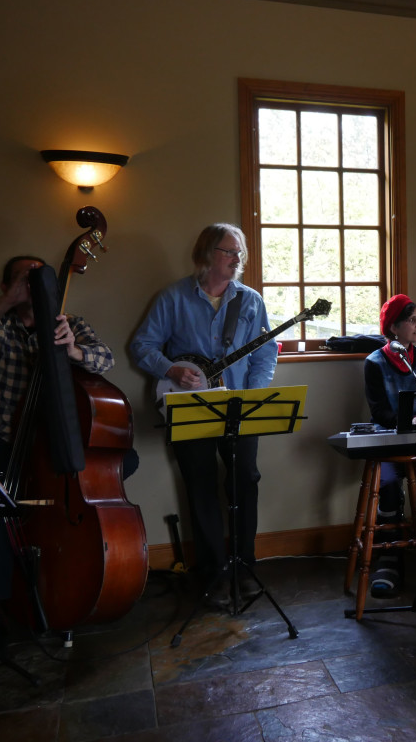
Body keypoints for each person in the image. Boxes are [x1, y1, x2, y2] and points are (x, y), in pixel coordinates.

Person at [0, 255, 115, 623]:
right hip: (3, 437)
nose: (32, 286)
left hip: (55, 438)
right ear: (6, 287)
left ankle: (75, 581)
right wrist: (6, 302)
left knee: (118, 466)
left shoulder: (70, 323)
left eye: (38, 278)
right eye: (22, 280)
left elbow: (105, 359)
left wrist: (73, 350)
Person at [130, 224, 277, 605]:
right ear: (208, 253)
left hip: (239, 408)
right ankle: (214, 572)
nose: (237, 259)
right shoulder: (173, 297)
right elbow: (142, 345)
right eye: (230, 251)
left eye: (240, 253)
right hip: (188, 405)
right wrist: (172, 370)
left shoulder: (250, 301)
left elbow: (265, 354)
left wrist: (251, 397)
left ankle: (244, 566)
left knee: (245, 480)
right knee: (200, 484)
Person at [363, 293, 416, 598]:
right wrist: (409, 421)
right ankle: (389, 557)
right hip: (389, 440)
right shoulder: (374, 363)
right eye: (411, 320)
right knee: (389, 486)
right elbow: (379, 411)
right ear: (393, 327)